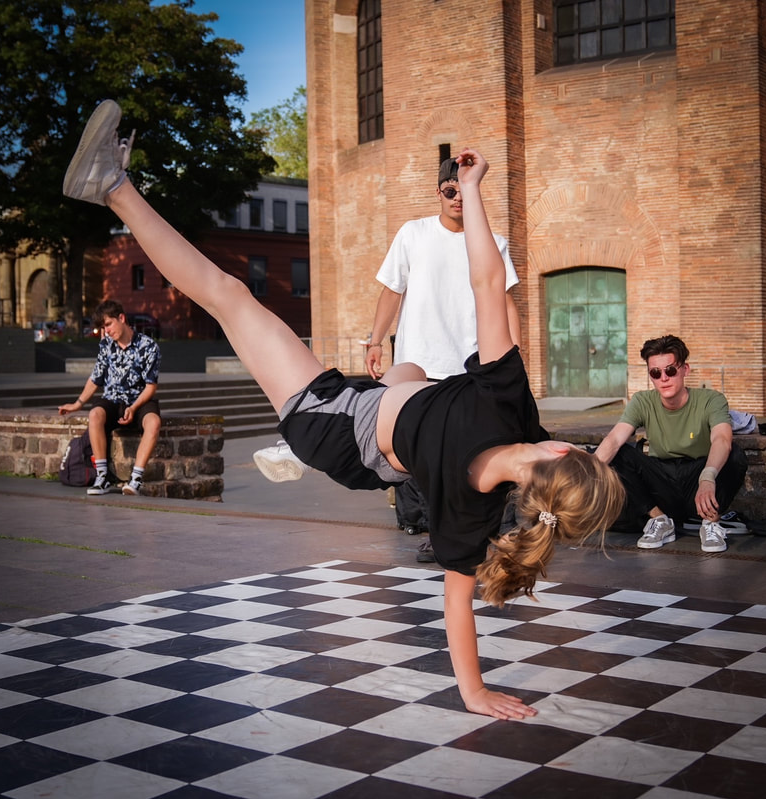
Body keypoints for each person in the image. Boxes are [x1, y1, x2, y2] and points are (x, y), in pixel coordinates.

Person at [62, 99, 624, 720]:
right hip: (373, 408)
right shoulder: (479, 507)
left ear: (563, 449)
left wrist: (472, 188)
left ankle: (111, 186)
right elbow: (456, 604)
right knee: (415, 371)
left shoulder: (508, 401)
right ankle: (366, 399)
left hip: (330, 425)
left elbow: (487, 283)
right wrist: (475, 692)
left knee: (230, 297)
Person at [361, 157, 526, 558]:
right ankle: (441, 533)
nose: (456, 199)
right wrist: (375, 340)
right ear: (438, 192)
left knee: (474, 454)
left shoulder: (491, 241)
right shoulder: (413, 233)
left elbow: (505, 302)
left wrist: (515, 360)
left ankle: (487, 531)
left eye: (462, 190)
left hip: (471, 366)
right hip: (420, 364)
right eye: (449, 191)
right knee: (426, 459)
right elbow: (392, 290)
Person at [595, 335, 748, 553]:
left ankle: (711, 522)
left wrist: (707, 477)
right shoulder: (642, 401)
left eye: (670, 370)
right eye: (655, 373)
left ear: (685, 369)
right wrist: (583, 473)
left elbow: (722, 439)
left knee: (736, 456)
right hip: (661, 481)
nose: (664, 378)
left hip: (698, 478)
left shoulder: (711, 399)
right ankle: (659, 520)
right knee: (617, 455)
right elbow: (614, 439)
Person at [58, 299, 161, 496]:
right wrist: (78, 404)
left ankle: (135, 480)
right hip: (113, 400)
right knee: (95, 414)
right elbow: (95, 378)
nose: (106, 331)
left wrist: (133, 407)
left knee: (154, 422)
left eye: (108, 324)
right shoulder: (106, 345)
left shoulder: (148, 346)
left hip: (139, 401)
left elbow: (150, 387)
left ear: (121, 318)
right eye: (103, 327)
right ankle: (102, 476)